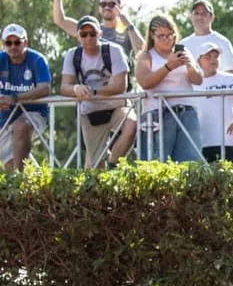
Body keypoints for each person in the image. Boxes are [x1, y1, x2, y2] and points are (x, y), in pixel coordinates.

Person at [60, 15, 136, 168]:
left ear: (100, 34)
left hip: (117, 107)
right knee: (94, 168)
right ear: (77, 36)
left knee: (131, 124)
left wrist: (93, 91)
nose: (88, 38)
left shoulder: (114, 51)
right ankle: (100, 178)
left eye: (92, 33)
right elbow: (64, 87)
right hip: (91, 113)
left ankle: (113, 164)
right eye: (84, 34)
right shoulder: (72, 55)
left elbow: (120, 86)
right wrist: (76, 89)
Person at [136, 14, 203, 162]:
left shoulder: (183, 51)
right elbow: (145, 82)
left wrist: (190, 67)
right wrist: (169, 66)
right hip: (159, 114)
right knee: (157, 164)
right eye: (161, 36)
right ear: (152, 36)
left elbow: (198, 80)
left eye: (169, 35)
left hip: (187, 112)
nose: (166, 39)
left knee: (191, 164)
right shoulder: (146, 56)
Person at [0, 24, 51, 170]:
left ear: (26, 42)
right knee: (11, 167)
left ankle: (21, 182)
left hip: (34, 114)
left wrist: (15, 98)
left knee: (21, 126)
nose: (13, 46)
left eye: (17, 42)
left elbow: (45, 88)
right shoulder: (0, 59)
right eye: (8, 43)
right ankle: (26, 187)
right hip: (5, 117)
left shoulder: (37, 60)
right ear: (3, 44)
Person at [52, 0, 143, 57]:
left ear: (120, 7)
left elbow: (143, 53)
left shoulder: (128, 31)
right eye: (103, 4)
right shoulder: (89, 29)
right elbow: (60, 20)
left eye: (111, 4)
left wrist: (129, 25)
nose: (107, 7)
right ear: (99, 7)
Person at [193, 42, 233, 162]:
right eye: (208, 57)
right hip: (202, 140)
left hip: (228, 139)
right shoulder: (193, 83)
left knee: (229, 176)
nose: (213, 60)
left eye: (216, 56)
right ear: (199, 61)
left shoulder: (230, 79)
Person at [181, 0, 233, 75]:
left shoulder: (223, 42)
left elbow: (230, 73)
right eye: (196, 13)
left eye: (204, 14)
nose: (199, 17)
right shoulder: (183, 44)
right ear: (191, 17)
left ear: (212, 17)